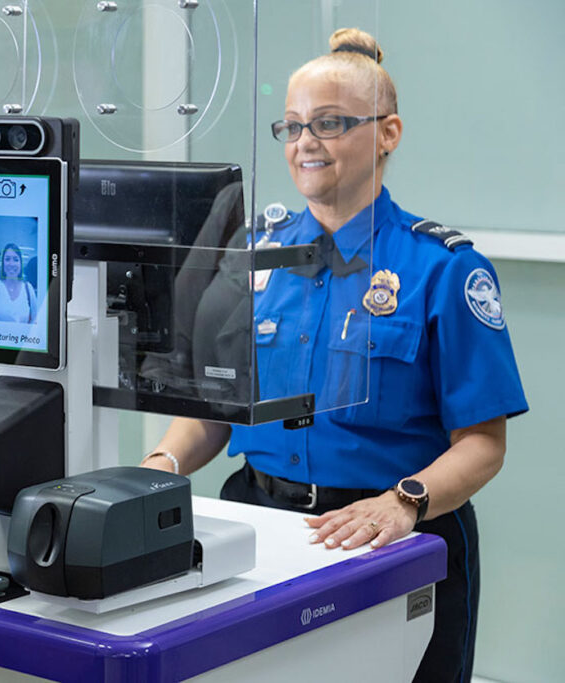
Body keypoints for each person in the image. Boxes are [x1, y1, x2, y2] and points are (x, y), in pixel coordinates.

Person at [142, 28, 527, 683]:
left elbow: (483, 442)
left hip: (396, 535)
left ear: (388, 133)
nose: (304, 143)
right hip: (260, 530)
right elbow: (216, 409)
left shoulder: (442, 269)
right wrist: (160, 465)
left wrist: (404, 501)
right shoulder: (252, 260)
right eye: (290, 126)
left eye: (329, 123)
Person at [0, 243, 37, 323]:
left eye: (16, 259)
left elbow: (35, 317)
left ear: (20, 263)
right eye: (7, 259)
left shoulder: (28, 288)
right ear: (3, 263)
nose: (11, 264)